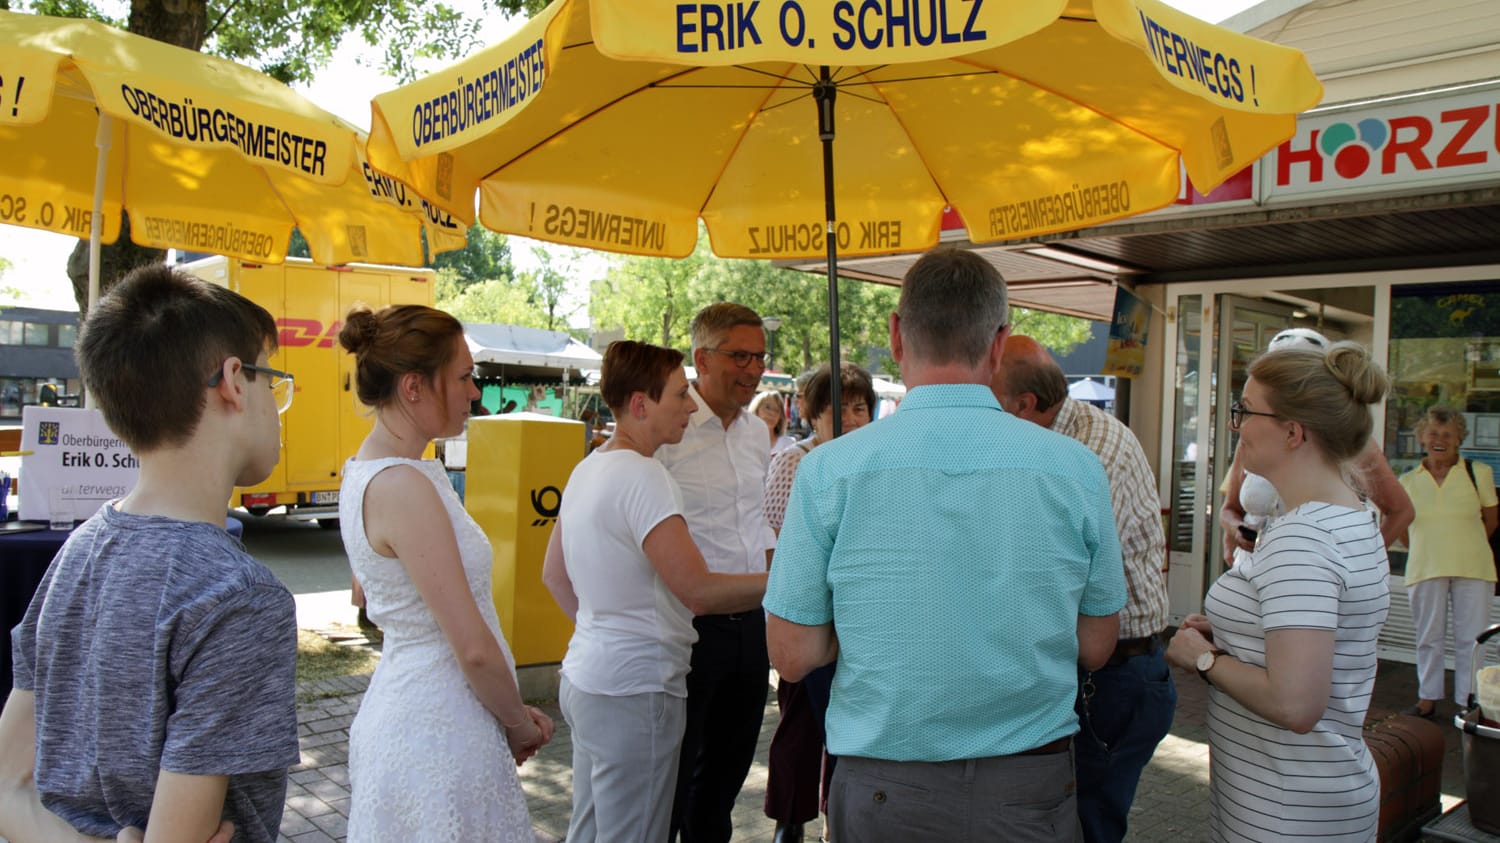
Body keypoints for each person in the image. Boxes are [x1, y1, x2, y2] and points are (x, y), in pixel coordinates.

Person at [765, 248, 1125, 841]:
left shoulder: (830, 471)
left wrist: (869, 629)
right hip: (1028, 785)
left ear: (897, 334)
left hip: (883, 786)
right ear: (999, 343)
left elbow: (792, 654)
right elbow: (1096, 644)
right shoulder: (1075, 469)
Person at [1, 265, 297, 843]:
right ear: (235, 380)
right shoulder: (241, 599)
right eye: (272, 379)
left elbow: (7, 787)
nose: (277, 405)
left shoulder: (77, 551)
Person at [336, 304, 552, 842]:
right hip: (435, 733)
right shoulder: (401, 484)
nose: (475, 392)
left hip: (435, 716)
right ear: (413, 387)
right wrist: (518, 722)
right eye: (462, 377)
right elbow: (472, 645)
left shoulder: (386, 470)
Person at [541, 340, 768, 842]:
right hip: (637, 686)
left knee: (592, 827)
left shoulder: (589, 467)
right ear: (641, 404)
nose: (690, 406)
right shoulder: (647, 476)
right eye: (679, 394)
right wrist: (786, 584)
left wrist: (606, 632)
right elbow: (699, 591)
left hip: (588, 676)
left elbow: (553, 575)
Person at [1167, 340, 1391, 842]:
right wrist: (1229, 635)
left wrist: (1202, 659)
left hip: (1287, 808)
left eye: (1244, 410)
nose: (1235, 424)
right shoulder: (1350, 517)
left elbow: (1296, 705)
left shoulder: (1303, 539)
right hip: (1307, 797)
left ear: (1293, 431)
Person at [992, 334, 1174, 843]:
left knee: (1087, 823)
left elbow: (1053, 580)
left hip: (1116, 678)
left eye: (989, 397)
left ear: (1025, 405)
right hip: (1099, 670)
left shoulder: (1086, 455)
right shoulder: (1055, 440)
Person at [657, 302, 778, 843]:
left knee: (726, 780)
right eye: (741, 356)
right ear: (702, 359)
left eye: (759, 356)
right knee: (674, 779)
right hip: (689, 626)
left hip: (752, 626)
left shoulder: (757, 433)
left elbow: (756, 524)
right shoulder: (668, 430)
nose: (753, 369)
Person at [761, 362, 878, 843]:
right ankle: (791, 821)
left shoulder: (876, 459)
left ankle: (840, 816)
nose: (851, 418)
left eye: (859, 407)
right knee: (800, 728)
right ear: (814, 413)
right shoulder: (797, 461)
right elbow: (784, 544)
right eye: (839, 408)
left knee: (851, 732)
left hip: (863, 620)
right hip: (808, 618)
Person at [1220, 329, 1412, 567]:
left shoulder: (1349, 442)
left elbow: (1401, 510)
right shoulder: (1253, 439)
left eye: (1248, 410)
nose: (1235, 425)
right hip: (1257, 567)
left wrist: (1359, 565)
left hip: (1301, 571)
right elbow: (1229, 509)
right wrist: (1234, 530)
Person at [1397, 405, 1497, 718]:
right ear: (1422, 439)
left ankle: (1469, 701)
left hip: (1473, 566)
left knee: (1473, 638)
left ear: (1458, 439)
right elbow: (1401, 527)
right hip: (1425, 566)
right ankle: (1427, 699)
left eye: (1447, 434)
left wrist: (1461, 541)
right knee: (1428, 636)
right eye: (1433, 434)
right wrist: (1428, 547)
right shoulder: (1407, 481)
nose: (1440, 439)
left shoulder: (1477, 472)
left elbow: (1491, 520)